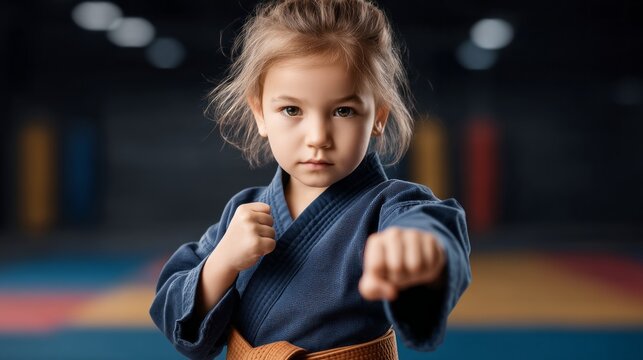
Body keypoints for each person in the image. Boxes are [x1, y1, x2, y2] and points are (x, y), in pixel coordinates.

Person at [149, 0, 471, 359]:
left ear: (378, 116)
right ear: (260, 114)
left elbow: (431, 224)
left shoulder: (389, 208)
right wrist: (222, 262)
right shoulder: (243, 212)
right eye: (292, 110)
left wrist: (419, 246)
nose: (318, 135)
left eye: (343, 111)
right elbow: (174, 314)